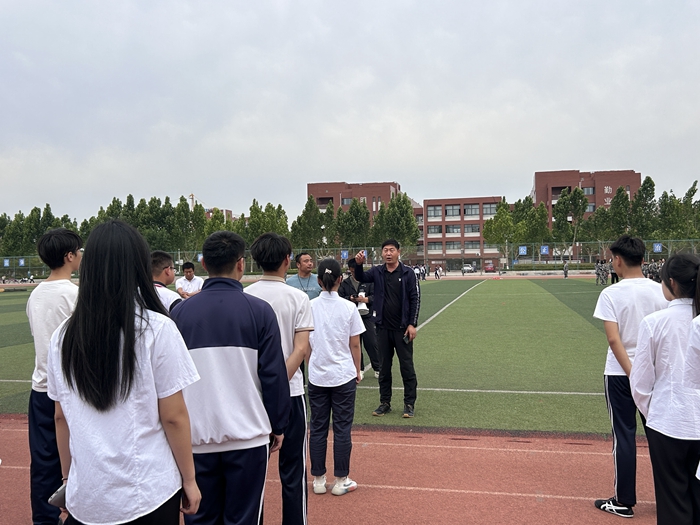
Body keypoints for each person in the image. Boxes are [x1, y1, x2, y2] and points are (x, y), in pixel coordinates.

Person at [47, 220, 201, 525]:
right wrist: (189, 479)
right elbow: (173, 416)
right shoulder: (157, 329)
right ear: (137, 266)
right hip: (148, 491)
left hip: (87, 493)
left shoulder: (62, 337)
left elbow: (60, 416)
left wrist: (67, 479)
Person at [170, 231, 290, 525]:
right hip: (248, 439)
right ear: (241, 263)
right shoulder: (260, 311)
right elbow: (273, 375)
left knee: (200, 519)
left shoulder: (179, 314)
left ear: (203, 264)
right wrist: (278, 425)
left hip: (195, 442)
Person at [592, 235, 668, 518]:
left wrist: (633, 373)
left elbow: (614, 340)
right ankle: (670, 499)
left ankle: (624, 501)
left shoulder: (611, 294)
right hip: (655, 374)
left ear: (618, 260)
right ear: (643, 260)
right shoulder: (661, 291)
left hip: (620, 373)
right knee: (661, 436)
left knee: (624, 435)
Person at [245, 233, 313, 525]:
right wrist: (278, 384)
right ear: (288, 260)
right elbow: (301, 349)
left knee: (253, 475)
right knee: (294, 472)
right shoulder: (298, 298)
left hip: (252, 396)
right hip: (291, 395)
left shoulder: (245, 296)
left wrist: (267, 384)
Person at [630, 253, 700, 525]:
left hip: (668, 424)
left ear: (671, 282)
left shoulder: (655, 322)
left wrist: (655, 413)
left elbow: (640, 383)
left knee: (672, 502)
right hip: (684, 421)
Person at [26, 227, 82, 525]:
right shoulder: (75, 294)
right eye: (79, 251)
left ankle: (44, 519)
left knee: (43, 460)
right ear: (69, 256)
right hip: (72, 389)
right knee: (82, 455)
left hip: (41, 388)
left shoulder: (35, 295)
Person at [308, 258, 364, 497]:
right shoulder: (349, 307)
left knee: (317, 427)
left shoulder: (309, 306)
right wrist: (357, 369)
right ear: (340, 279)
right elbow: (355, 344)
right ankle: (341, 479)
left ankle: (318, 479)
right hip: (343, 375)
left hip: (318, 375)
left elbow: (305, 344)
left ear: (319, 280)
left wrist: (312, 363)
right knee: (342, 428)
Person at [354, 239, 420, 418]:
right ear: (381, 253)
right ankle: (385, 402)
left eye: (391, 250)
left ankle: (409, 404)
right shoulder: (377, 272)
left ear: (399, 252)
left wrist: (412, 324)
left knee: (407, 367)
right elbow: (361, 277)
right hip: (382, 328)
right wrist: (358, 264)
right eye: (385, 250)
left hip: (402, 329)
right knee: (384, 368)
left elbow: (415, 298)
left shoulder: (408, 273)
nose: (388, 253)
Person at [338, 258, 381, 378]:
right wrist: (350, 298)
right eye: (352, 271)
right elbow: (340, 298)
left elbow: (377, 296)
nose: (354, 273)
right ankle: (359, 368)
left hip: (366, 316)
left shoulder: (368, 281)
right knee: (354, 344)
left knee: (371, 342)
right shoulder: (345, 283)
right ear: (350, 270)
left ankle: (378, 368)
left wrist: (366, 299)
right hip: (351, 317)